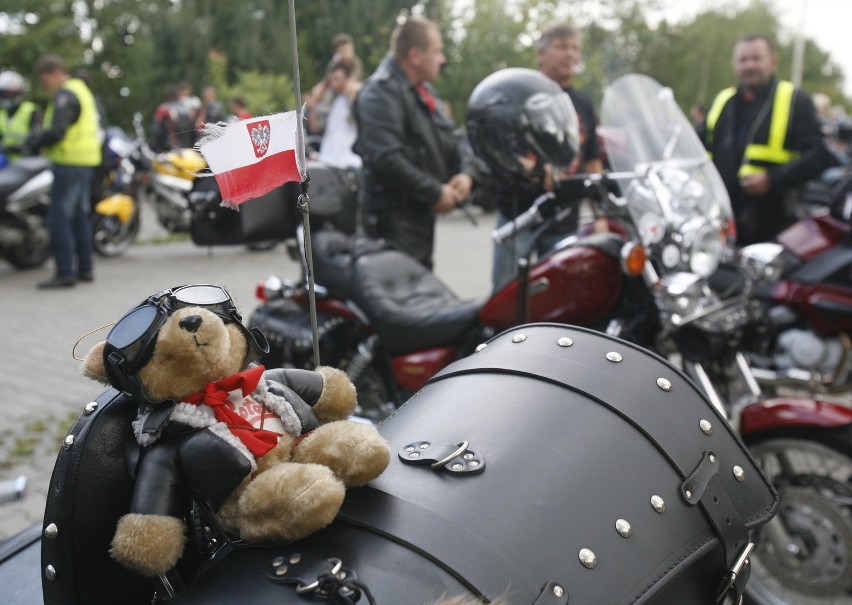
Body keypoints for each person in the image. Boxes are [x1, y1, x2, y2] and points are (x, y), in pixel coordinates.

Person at [484, 23, 603, 291]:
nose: (570, 55)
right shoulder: (518, 94)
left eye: (575, 48)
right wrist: (536, 170)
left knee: (557, 299)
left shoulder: (582, 103)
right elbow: (502, 148)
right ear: (540, 54)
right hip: (519, 217)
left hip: (565, 222)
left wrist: (601, 214)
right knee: (507, 298)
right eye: (561, 47)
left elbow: (593, 158)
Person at [353, 16, 474, 270]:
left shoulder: (423, 91)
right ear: (415, 55)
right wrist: (435, 192)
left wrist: (466, 174)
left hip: (417, 219)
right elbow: (386, 158)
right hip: (393, 226)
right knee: (400, 300)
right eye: (438, 51)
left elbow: (451, 140)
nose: (443, 59)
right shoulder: (380, 93)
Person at [699, 34, 836, 246]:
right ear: (734, 64)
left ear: (773, 61)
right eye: (743, 60)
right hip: (723, 219)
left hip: (774, 224)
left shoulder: (795, 100)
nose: (749, 65)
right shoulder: (723, 100)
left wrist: (773, 178)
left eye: (756, 58)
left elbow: (820, 156)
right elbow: (696, 143)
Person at [25, 55, 102, 289]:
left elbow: (58, 131)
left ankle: (65, 273)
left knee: (59, 218)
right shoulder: (83, 90)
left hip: (69, 163)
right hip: (86, 162)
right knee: (80, 216)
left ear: (53, 72)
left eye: (44, 79)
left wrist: (36, 142)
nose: (45, 85)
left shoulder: (65, 94)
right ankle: (85, 269)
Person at [307, 61, 362, 169]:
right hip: (327, 159)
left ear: (347, 79)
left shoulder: (357, 96)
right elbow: (315, 128)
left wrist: (352, 96)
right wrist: (314, 105)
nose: (333, 83)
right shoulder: (331, 100)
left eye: (337, 79)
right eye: (332, 79)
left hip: (348, 161)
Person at [0, 70, 42, 161]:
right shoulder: (2, 114)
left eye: (10, 93)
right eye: (4, 93)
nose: (7, 97)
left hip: (28, 162)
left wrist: (8, 149)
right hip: (6, 160)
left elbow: (34, 141)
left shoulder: (32, 111)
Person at [150, 83, 197, 152]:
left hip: (169, 150)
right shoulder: (188, 110)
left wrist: (156, 148)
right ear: (178, 96)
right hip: (188, 150)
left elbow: (156, 130)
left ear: (168, 97)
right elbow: (195, 130)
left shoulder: (163, 109)